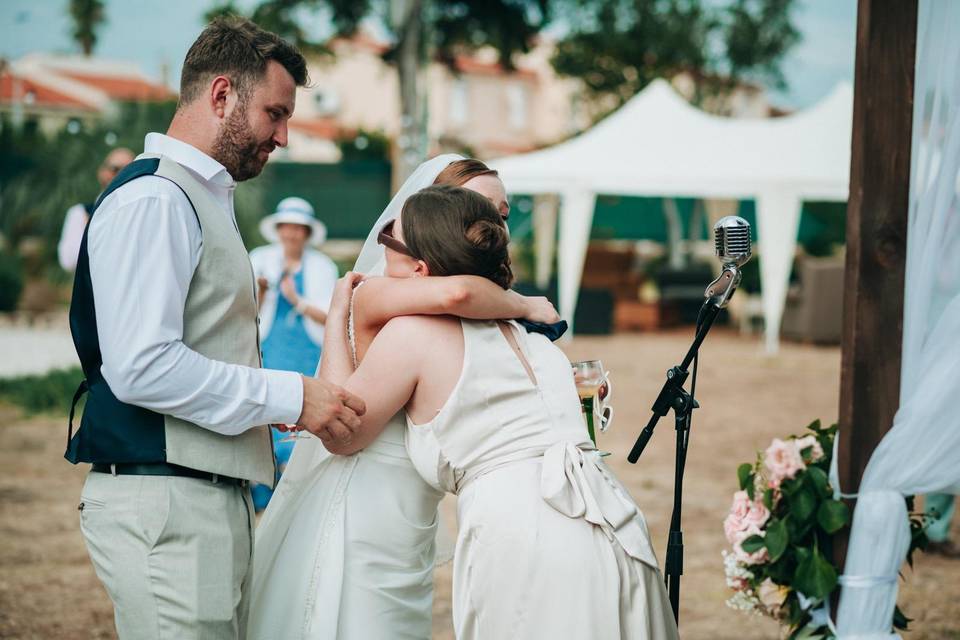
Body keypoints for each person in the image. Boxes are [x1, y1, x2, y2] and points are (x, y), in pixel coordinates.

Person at [66, 17, 366, 639]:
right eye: (275, 113)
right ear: (222, 94)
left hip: (202, 498)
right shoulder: (156, 198)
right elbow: (142, 366)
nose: (283, 136)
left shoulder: (198, 196)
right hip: (167, 503)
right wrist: (289, 396)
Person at [320, 186, 678, 639]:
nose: (380, 252)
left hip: (522, 536)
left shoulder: (411, 334)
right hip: (613, 523)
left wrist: (338, 317)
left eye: (389, 242)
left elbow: (341, 431)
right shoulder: (533, 337)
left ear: (419, 268)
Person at [248, 155, 560, 639]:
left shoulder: (467, 301)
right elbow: (456, 295)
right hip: (363, 491)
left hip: (411, 507)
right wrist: (524, 304)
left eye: (501, 212)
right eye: (480, 208)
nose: (495, 224)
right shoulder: (394, 289)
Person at [249, 196, 339, 511]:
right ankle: (261, 495)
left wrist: (297, 300)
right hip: (269, 349)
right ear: (279, 229)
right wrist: (261, 290)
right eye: (287, 227)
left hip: (307, 352)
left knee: (303, 416)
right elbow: (245, 314)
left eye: (298, 228)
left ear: (307, 232)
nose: (292, 234)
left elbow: (331, 316)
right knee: (265, 414)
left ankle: (296, 499)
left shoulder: (322, 266)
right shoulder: (259, 258)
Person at [58, 147, 135, 272]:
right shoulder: (79, 213)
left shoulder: (137, 213)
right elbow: (68, 261)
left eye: (128, 170)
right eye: (115, 169)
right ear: (102, 172)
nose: (121, 175)